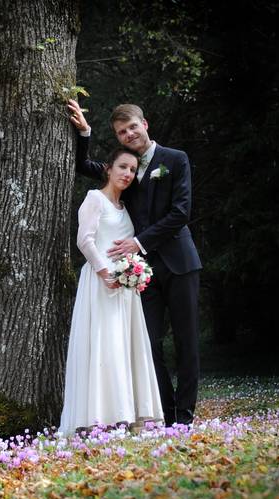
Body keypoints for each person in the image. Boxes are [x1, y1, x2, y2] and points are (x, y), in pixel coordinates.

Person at [67, 100, 202, 426]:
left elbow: (180, 213)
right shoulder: (124, 169)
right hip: (141, 272)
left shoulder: (175, 159)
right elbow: (83, 165)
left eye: (132, 127)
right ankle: (166, 413)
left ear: (145, 124)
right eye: (121, 132)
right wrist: (84, 132)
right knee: (148, 341)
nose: (128, 134)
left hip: (180, 262)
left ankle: (183, 418)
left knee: (186, 341)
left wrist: (139, 242)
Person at [59, 148, 164, 437]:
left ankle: (127, 415)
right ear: (109, 169)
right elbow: (85, 240)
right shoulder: (95, 199)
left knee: (123, 348)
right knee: (104, 346)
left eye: (132, 170)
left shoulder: (125, 207)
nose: (127, 174)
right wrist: (107, 273)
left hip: (125, 290)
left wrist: (131, 271)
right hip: (100, 283)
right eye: (122, 167)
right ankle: (97, 417)